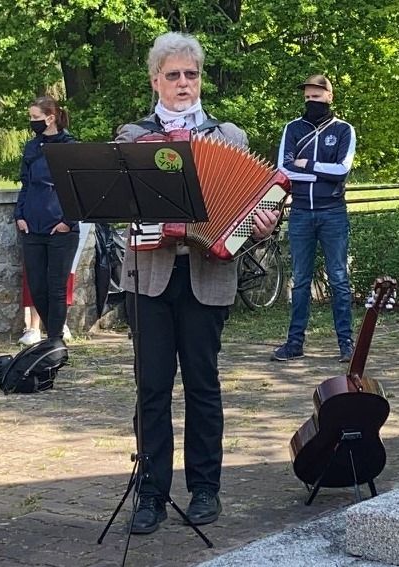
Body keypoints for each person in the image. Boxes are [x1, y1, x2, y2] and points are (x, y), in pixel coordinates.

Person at [115, 32, 279, 535]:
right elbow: (118, 208)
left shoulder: (229, 137)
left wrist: (260, 224)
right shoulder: (132, 138)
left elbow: (255, 206)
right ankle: (151, 493)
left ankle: (206, 487)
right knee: (152, 388)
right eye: (173, 75)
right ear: (155, 81)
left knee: (204, 387)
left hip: (208, 274)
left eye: (191, 74)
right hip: (151, 277)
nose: (183, 83)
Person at [272, 75, 356, 363]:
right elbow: (283, 170)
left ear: (329, 97)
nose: (311, 102)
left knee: (339, 279)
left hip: (333, 211)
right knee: (299, 281)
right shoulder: (292, 129)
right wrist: (320, 171)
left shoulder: (344, 130)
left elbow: (342, 170)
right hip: (300, 214)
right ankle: (294, 343)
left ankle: (346, 343)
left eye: (316, 98)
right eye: (308, 98)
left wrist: (306, 164)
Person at [14, 96, 79, 341]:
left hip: (61, 228)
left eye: (35, 118)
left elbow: (77, 188)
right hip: (31, 226)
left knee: (56, 287)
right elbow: (26, 183)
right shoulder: (32, 147)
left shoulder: (69, 146)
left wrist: (68, 222)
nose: (32, 122)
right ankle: (51, 333)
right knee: (38, 287)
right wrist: (19, 215)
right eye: (31, 118)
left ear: (50, 118)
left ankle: (53, 339)